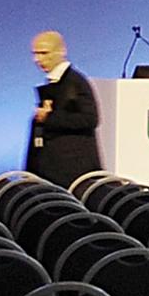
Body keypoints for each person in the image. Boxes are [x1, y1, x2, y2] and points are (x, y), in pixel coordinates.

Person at [27, 31, 100, 186]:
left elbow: (90, 119)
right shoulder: (56, 82)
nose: (38, 59)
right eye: (35, 53)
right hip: (54, 170)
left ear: (61, 51)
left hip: (71, 172)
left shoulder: (75, 82)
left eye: (44, 53)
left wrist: (49, 118)